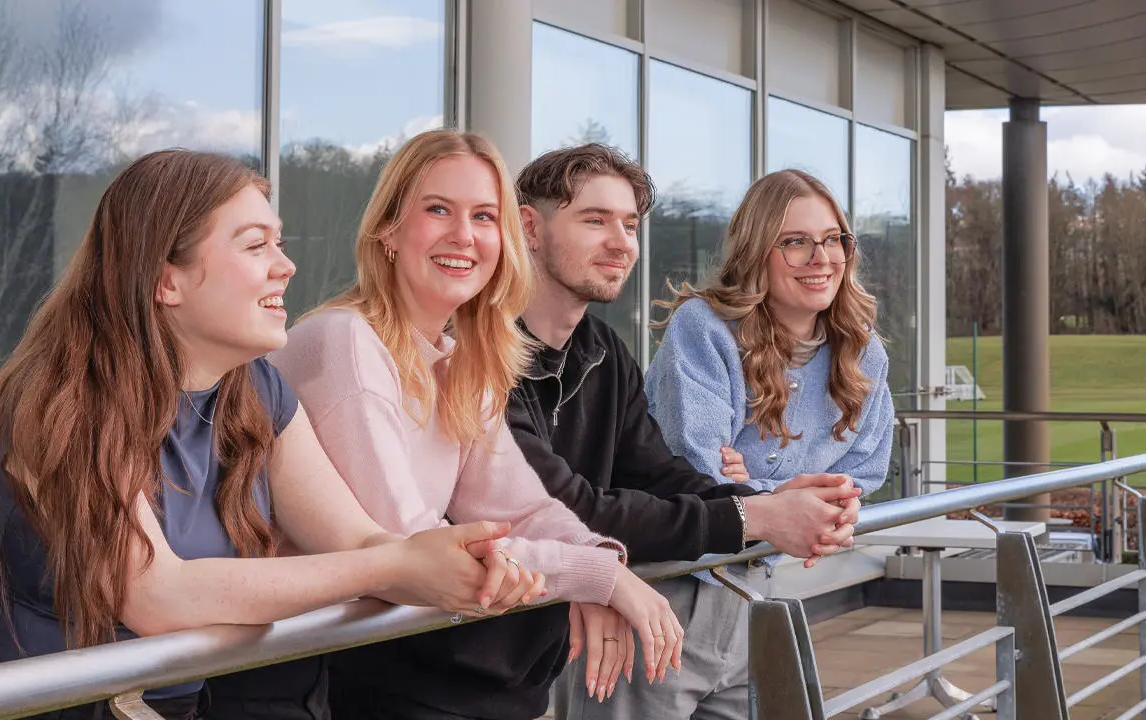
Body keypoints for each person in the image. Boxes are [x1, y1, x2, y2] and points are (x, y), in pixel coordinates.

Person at [0, 149, 517, 720]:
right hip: (25, 708)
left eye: (278, 243)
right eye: (256, 245)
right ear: (165, 282)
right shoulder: (64, 401)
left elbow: (356, 540)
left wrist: (458, 561)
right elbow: (158, 595)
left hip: (156, 703)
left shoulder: (257, 389)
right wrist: (398, 568)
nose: (286, 265)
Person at [267, 130, 682, 720]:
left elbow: (521, 506)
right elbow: (414, 550)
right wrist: (596, 578)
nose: (464, 235)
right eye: (439, 209)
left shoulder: (463, 357)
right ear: (388, 228)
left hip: (384, 663)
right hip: (307, 681)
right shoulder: (344, 341)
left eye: (484, 217)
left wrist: (601, 568)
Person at [502, 144, 862, 712]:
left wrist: (762, 499)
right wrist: (759, 513)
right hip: (436, 657)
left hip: (541, 645)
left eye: (630, 224)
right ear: (529, 226)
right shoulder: (477, 353)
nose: (621, 242)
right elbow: (554, 504)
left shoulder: (602, 351)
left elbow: (655, 474)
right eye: (595, 220)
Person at [596, 168, 897, 718]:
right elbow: (696, 467)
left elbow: (865, 470)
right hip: (668, 584)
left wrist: (760, 489)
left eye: (834, 239)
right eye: (795, 242)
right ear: (758, 250)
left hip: (762, 587)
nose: (821, 257)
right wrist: (783, 501)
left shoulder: (863, 351)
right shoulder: (706, 328)